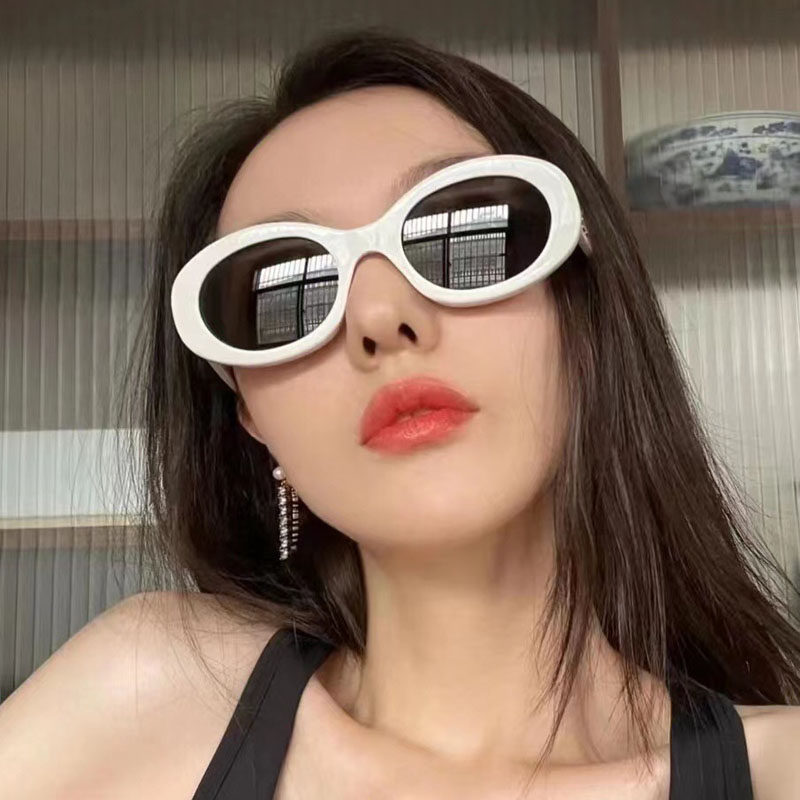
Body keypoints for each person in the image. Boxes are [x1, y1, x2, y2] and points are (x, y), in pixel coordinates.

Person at [1, 27, 799, 800]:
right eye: (284, 291)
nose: (379, 317)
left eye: (463, 232)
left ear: (584, 313)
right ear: (250, 416)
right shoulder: (149, 695)